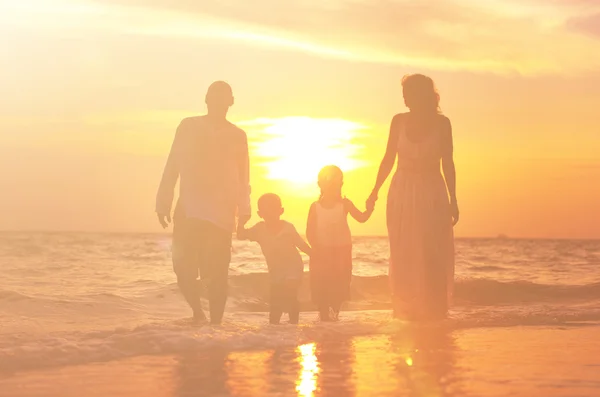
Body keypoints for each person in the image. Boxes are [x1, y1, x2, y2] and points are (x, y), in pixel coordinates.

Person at [155, 81, 251, 325]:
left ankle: (215, 326)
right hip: (189, 208)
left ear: (231, 101)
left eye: (224, 97)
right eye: (214, 96)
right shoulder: (189, 126)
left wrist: (245, 210)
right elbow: (173, 161)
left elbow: (243, 175)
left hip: (221, 214)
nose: (219, 101)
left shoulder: (238, 135)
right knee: (182, 269)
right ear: (206, 99)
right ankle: (198, 312)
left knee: (217, 274)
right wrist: (163, 197)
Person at [367, 74, 458, 321]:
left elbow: (448, 162)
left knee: (432, 251)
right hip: (402, 191)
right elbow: (388, 159)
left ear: (422, 96)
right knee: (404, 250)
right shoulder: (398, 121)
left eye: (409, 94)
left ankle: (435, 311)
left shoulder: (443, 124)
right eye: (404, 95)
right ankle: (408, 311)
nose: (405, 99)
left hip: (432, 191)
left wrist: (454, 199)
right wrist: (374, 190)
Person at [306, 165, 373, 321]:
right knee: (321, 289)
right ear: (320, 184)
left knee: (339, 288)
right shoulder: (315, 207)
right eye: (328, 182)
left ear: (341, 184)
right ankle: (324, 320)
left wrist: (370, 207)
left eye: (336, 183)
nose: (332, 186)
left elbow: (362, 218)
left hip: (342, 252)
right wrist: (316, 249)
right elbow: (309, 231)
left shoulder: (345, 204)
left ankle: (333, 321)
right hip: (321, 252)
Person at [237, 193, 311, 324]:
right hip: (275, 271)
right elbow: (241, 235)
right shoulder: (259, 229)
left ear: (281, 211)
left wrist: (317, 256)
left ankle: (294, 324)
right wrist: (241, 221)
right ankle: (274, 329)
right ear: (260, 214)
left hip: (293, 267)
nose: (270, 213)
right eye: (266, 210)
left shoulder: (288, 228)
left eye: (273, 209)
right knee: (276, 300)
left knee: (290, 294)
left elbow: (301, 245)